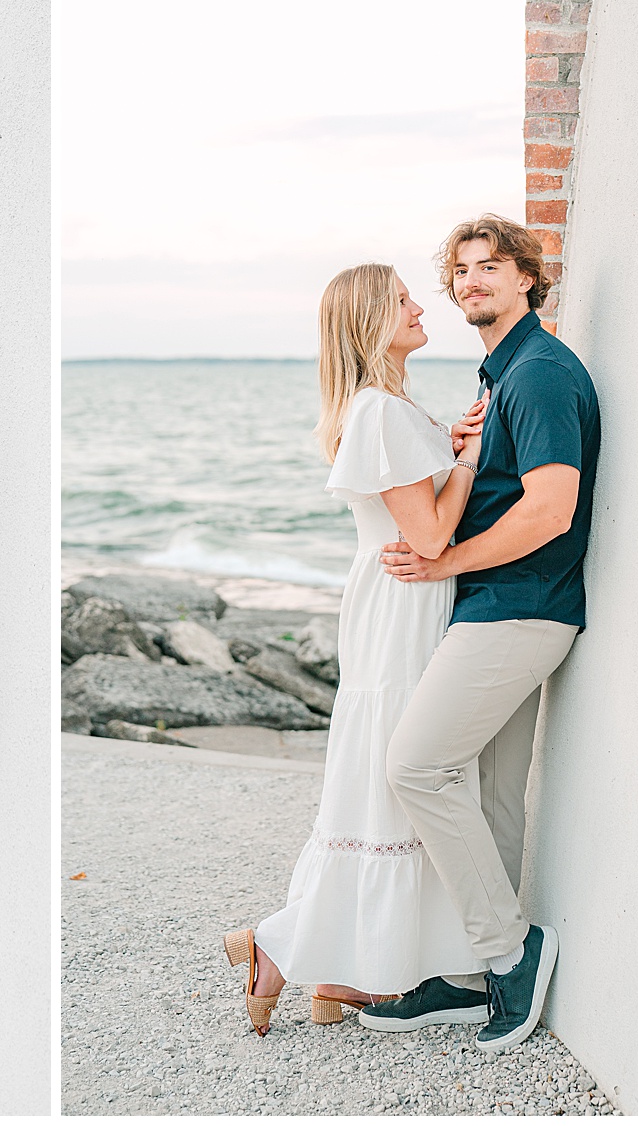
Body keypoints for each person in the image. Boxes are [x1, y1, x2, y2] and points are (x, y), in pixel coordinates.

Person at [223, 261, 491, 1035]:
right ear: (373, 320)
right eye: (402, 300)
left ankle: (338, 973)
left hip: (402, 600)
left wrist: (448, 441)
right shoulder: (378, 410)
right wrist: (469, 459)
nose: (419, 307)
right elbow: (430, 535)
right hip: (403, 606)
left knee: (385, 776)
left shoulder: (389, 408)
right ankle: (283, 946)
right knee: (394, 778)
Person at [365, 213, 600, 1054]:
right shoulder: (504, 375)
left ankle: (510, 951)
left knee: (414, 766)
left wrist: (445, 561)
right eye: (461, 271)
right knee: (493, 795)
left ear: (527, 278)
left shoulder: (538, 374)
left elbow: (551, 509)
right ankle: (476, 974)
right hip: (506, 606)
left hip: (520, 607)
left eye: (490, 266)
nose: (472, 282)